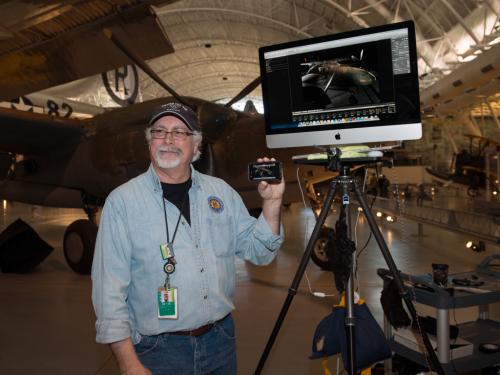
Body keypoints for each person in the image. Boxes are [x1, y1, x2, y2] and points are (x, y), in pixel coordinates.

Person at [91, 102, 285, 375]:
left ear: (196, 147)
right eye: (159, 131)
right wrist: (127, 362)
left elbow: (260, 252)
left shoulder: (221, 193)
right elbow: (108, 291)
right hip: (157, 350)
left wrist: (272, 204)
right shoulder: (122, 203)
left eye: (180, 132)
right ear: (149, 144)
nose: (168, 139)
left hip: (220, 341)